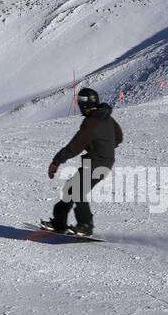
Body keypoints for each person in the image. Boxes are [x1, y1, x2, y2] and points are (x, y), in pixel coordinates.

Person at [45, 87, 123, 235]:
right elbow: (119, 137)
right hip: (103, 161)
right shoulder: (107, 117)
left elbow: (74, 147)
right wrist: (103, 146)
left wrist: (56, 162)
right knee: (71, 189)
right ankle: (59, 223)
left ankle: (85, 225)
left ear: (84, 103)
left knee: (77, 191)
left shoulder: (91, 122)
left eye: (80, 101)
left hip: (96, 162)